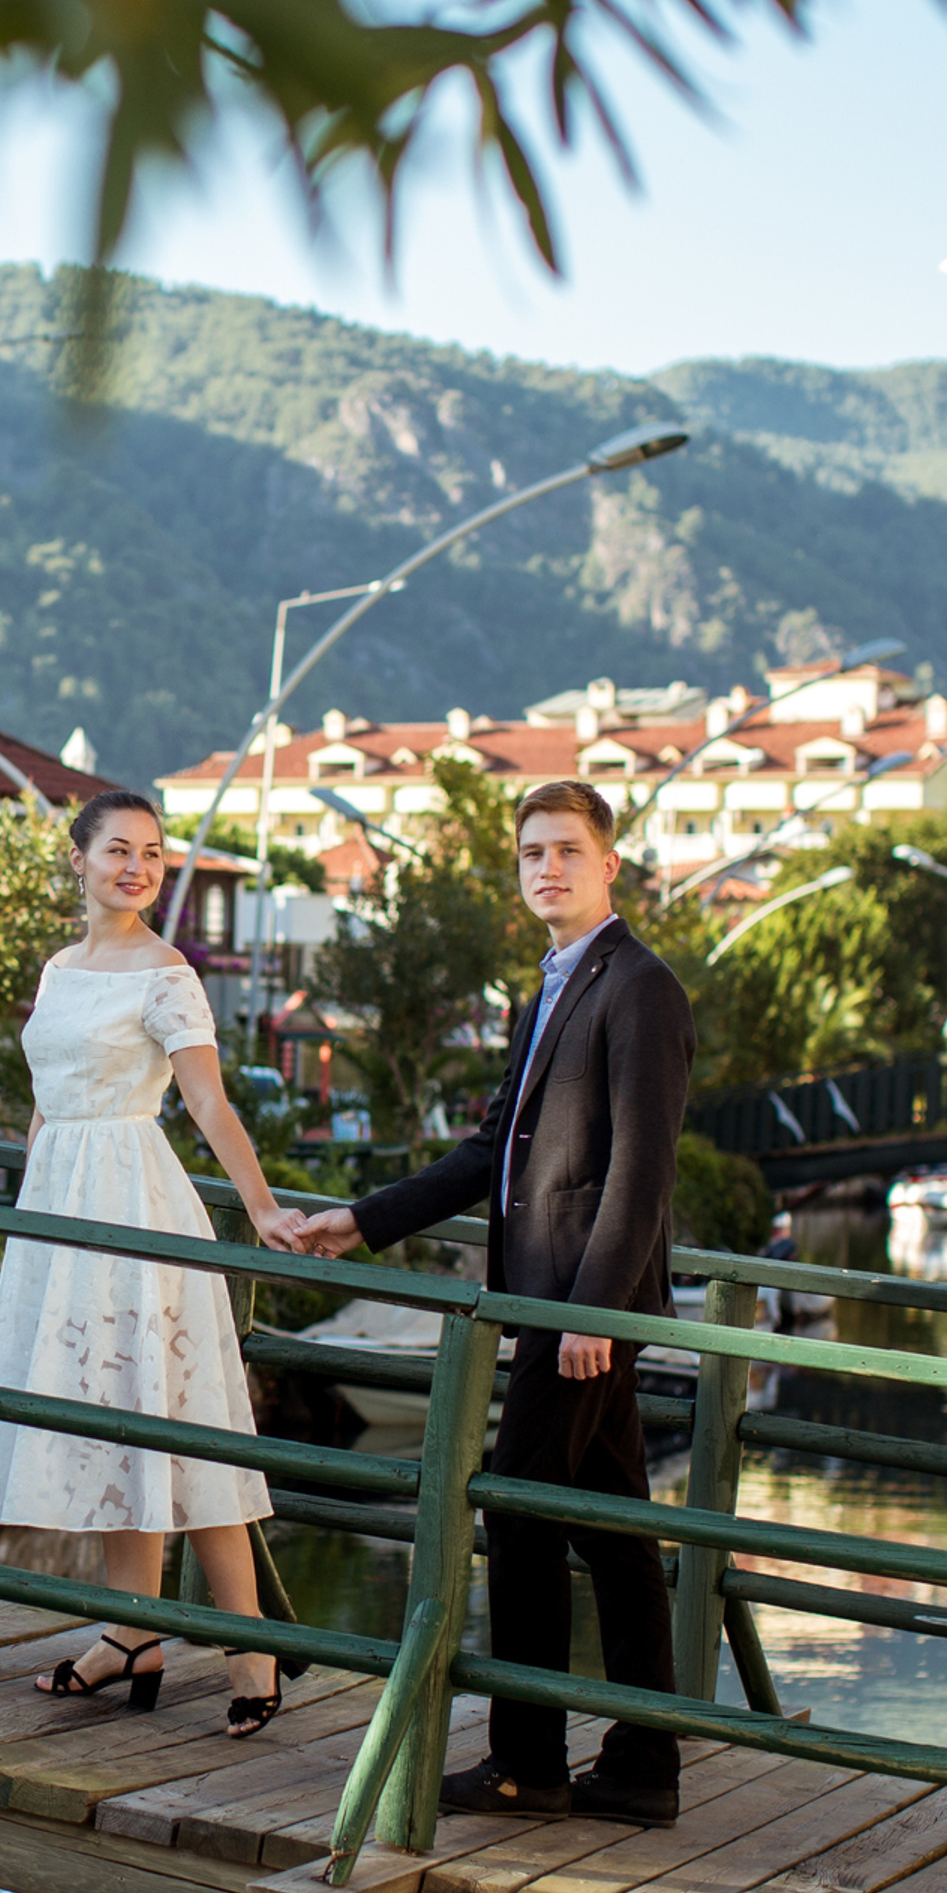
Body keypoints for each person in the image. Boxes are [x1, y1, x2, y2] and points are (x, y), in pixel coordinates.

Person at [299, 778, 695, 1825]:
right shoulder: (549, 989)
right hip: (550, 1308)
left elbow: (638, 1174)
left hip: (579, 1315)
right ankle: (643, 1764)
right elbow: (492, 1151)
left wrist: (588, 1317)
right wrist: (366, 1219)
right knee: (611, 1533)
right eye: (530, 854)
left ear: (610, 864)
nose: (546, 868)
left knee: (517, 1515)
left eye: (566, 849)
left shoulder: (638, 987)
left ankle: (527, 1761)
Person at [0, 788, 311, 1736]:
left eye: (153, 854)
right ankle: (130, 1636)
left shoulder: (169, 975)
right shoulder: (60, 967)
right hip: (60, 1204)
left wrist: (264, 1205)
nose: (138, 867)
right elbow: (46, 1097)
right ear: (78, 859)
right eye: (119, 849)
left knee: (181, 1417)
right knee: (112, 1415)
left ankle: (252, 1652)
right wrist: (29, 1203)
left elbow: (206, 1102)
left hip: (136, 1199)